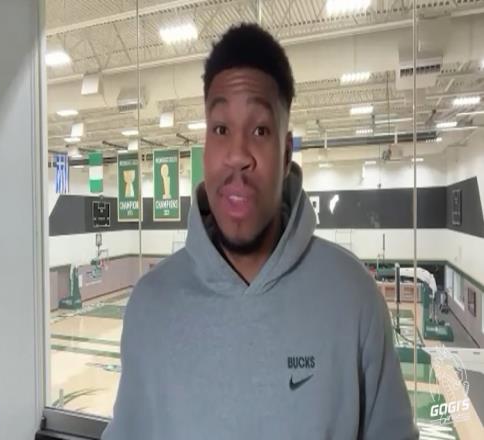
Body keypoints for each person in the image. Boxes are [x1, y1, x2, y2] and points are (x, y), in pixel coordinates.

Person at [102, 23, 418, 440]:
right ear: (205, 147)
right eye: (221, 129)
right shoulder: (149, 306)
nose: (237, 155)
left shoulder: (353, 298)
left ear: (286, 155)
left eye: (260, 130)